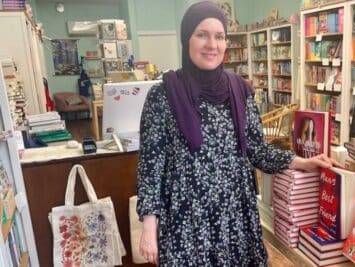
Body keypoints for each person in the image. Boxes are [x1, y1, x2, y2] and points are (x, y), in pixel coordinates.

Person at [136, 1, 343, 266]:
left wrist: (303, 162)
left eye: (219, 36)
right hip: (187, 221)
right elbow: (151, 167)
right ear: (186, 39)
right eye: (202, 34)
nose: (212, 44)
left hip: (235, 215)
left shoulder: (239, 90)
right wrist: (149, 227)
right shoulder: (164, 94)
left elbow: (258, 150)